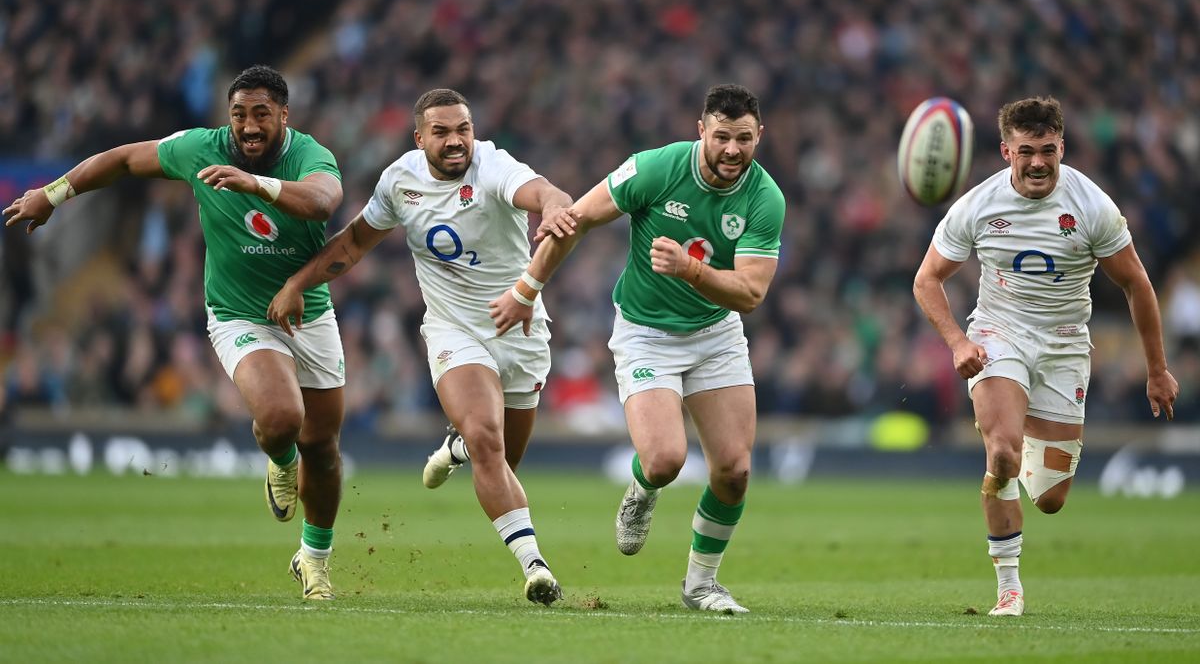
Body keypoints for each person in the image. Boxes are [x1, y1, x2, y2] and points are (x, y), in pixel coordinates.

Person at [4, 65, 348, 601]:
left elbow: (323, 202)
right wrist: (54, 193)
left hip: (309, 313)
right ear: (226, 117)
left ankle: (314, 559)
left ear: (284, 115)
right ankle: (280, 461)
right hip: (238, 314)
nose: (249, 126)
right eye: (239, 115)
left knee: (323, 449)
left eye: (261, 114)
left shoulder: (309, 154)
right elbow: (120, 160)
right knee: (282, 419)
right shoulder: (197, 148)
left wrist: (256, 183)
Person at [267, 88, 574, 606]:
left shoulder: (493, 165)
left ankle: (455, 448)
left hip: (520, 330)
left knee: (500, 458)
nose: (457, 141)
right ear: (419, 137)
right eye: (442, 132)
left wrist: (555, 207)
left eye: (464, 130)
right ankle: (535, 567)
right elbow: (352, 243)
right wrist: (298, 282)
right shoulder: (400, 180)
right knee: (486, 438)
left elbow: (545, 192)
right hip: (454, 331)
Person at [492, 84, 786, 613]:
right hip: (646, 332)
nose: (732, 150)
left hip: (716, 335)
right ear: (701, 131)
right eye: (722, 137)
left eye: (744, 139)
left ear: (759, 135)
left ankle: (701, 585)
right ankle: (643, 489)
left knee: (735, 471)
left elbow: (752, 293)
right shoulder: (655, 168)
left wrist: (690, 269)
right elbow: (574, 221)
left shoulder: (765, 197)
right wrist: (525, 290)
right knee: (666, 457)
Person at [912, 96, 1179, 617]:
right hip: (999, 333)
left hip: (1064, 344)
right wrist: (959, 342)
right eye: (1026, 151)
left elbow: (1137, 285)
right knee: (1004, 453)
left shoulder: (1092, 206)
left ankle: (1017, 437)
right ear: (1005, 150)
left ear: (1063, 147)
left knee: (1051, 498)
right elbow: (927, 280)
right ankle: (1009, 587)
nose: (1038, 162)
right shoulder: (977, 205)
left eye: (1048, 151)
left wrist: (1156, 369)